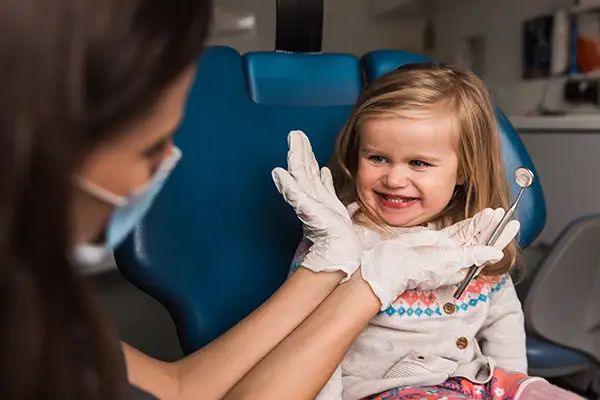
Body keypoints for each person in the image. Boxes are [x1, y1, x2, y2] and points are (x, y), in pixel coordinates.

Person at [1, 0, 517, 399]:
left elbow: (183, 391)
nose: (165, 166)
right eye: (152, 145)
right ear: (40, 141)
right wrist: (371, 279)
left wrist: (329, 267)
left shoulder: (39, 315)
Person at [285, 64, 581, 399]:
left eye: (418, 163)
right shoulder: (338, 238)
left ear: (463, 171)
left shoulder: (474, 237)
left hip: (479, 382)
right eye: (378, 158)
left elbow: (503, 316)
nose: (394, 179)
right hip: (387, 391)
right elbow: (311, 341)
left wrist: (512, 388)